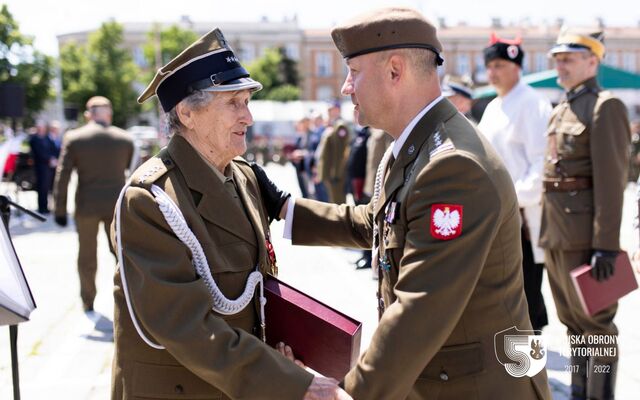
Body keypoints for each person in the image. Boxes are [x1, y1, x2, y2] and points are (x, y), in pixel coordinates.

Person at [253, 8, 550, 399]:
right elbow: (379, 222)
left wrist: (348, 394)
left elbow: (420, 310)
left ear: (395, 71)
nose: (345, 87)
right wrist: (285, 208)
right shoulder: (416, 145)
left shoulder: (452, 165)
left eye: (353, 72)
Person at [110, 28, 349, 400]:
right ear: (187, 113)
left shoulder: (242, 175)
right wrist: (290, 383)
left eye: (247, 101)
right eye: (234, 103)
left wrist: (277, 352)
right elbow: (186, 326)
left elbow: (253, 291)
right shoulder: (149, 199)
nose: (248, 117)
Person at [539, 28, 631, 400]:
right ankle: (580, 394)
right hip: (556, 235)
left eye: (569, 58)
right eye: (557, 58)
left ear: (593, 61)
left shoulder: (604, 106)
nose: (560, 64)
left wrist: (606, 246)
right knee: (574, 325)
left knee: (599, 329)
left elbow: (612, 181)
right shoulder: (562, 107)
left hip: (586, 238)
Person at [477, 35, 552, 332]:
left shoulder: (533, 103)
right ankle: (514, 371)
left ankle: (529, 374)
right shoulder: (494, 107)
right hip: (498, 217)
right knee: (505, 301)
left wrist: (510, 199)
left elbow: (542, 164)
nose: (492, 72)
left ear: (516, 67)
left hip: (523, 219)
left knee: (526, 299)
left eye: (499, 65)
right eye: (489, 66)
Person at [53, 96, 134, 313]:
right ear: (108, 113)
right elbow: (130, 170)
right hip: (116, 206)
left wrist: (59, 209)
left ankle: (88, 301)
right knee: (121, 253)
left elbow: (63, 174)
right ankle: (129, 298)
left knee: (87, 256)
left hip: (86, 205)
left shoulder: (75, 137)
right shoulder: (124, 139)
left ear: (89, 114)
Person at [316, 102, 351, 203]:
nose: (330, 112)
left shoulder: (340, 126)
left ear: (338, 110)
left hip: (335, 174)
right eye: (329, 110)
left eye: (332, 109)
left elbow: (341, 152)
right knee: (332, 201)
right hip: (330, 172)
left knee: (338, 202)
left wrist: (336, 173)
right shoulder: (331, 125)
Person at [29, 120, 57, 214]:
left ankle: (47, 207)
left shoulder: (47, 138)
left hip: (50, 168)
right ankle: (42, 208)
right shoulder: (34, 139)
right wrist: (49, 159)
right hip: (41, 167)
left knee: (48, 188)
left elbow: (53, 149)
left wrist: (54, 158)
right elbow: (38, 153)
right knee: (42, 188)